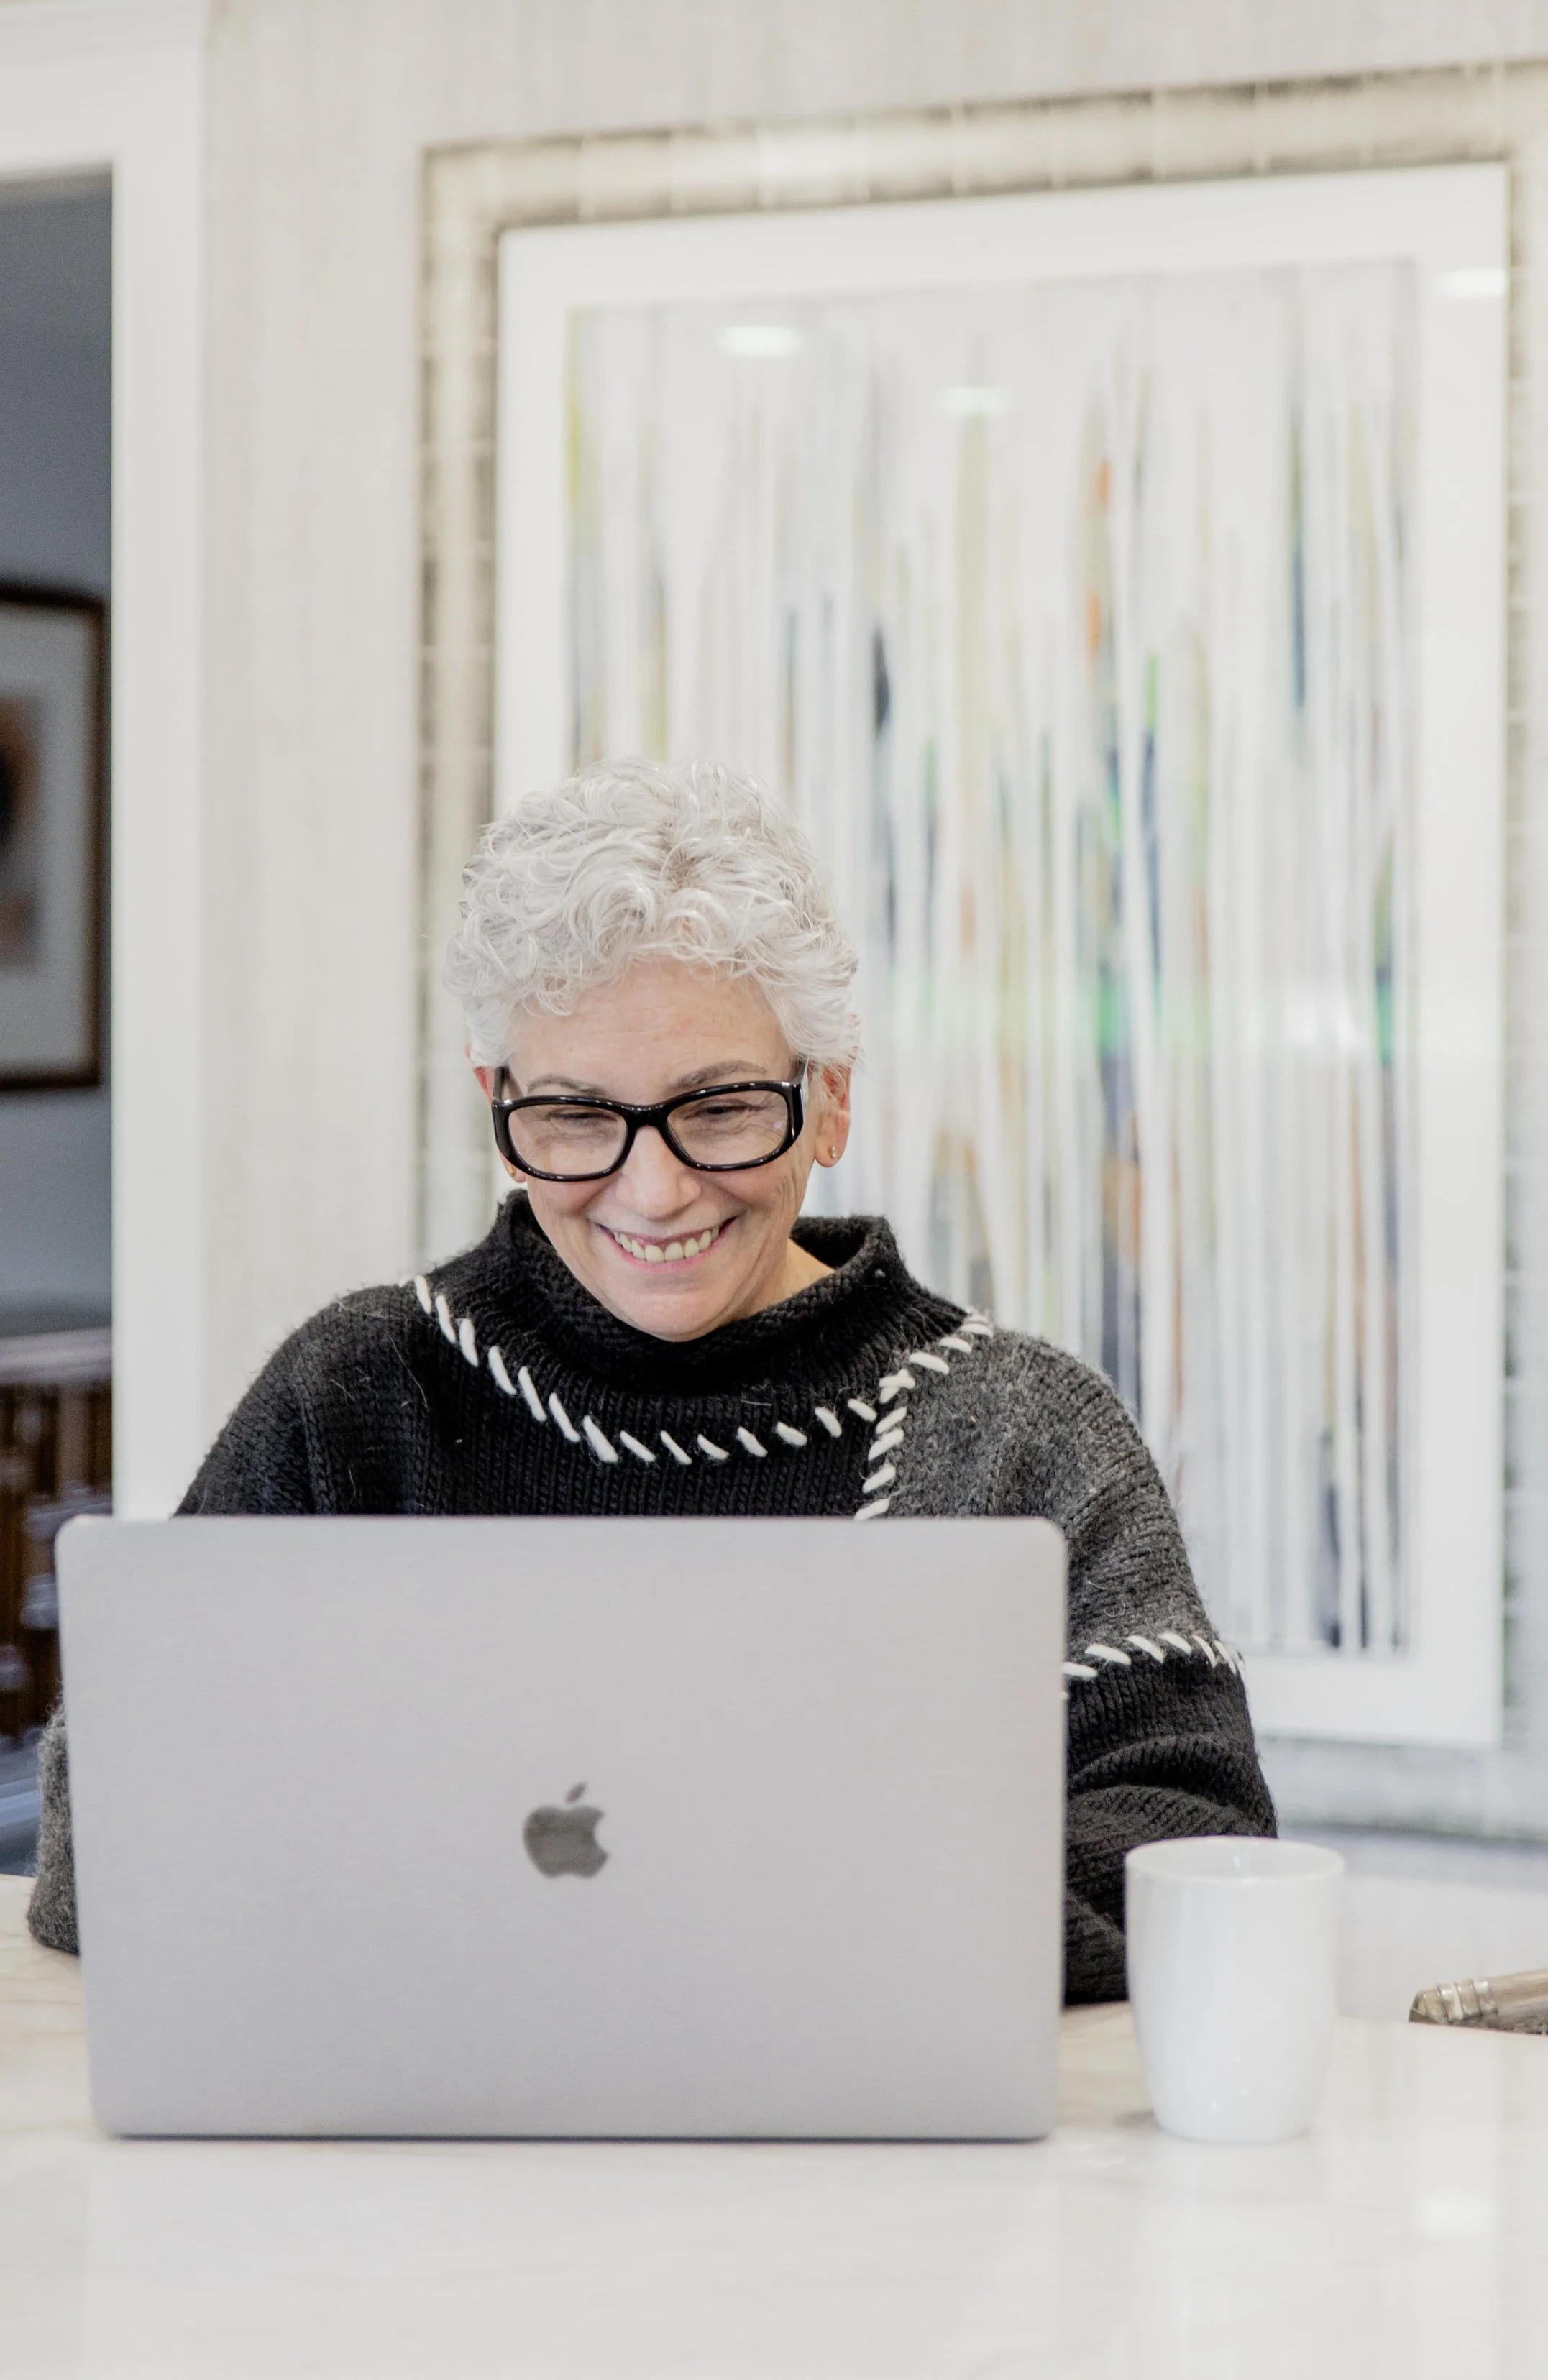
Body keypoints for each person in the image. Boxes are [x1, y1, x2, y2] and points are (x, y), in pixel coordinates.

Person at [30, 758, 1274, 1993]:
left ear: (829, 1098)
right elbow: (108, 1845)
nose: (655, 1187)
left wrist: (755, 1934)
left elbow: (1197, 1848)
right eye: (576, 1117)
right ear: (496, 1104)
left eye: (721, 1107)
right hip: (423, 2164)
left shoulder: (1018, 1433)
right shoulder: (359, 1396)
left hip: (880, 2172)